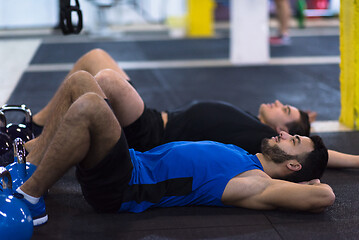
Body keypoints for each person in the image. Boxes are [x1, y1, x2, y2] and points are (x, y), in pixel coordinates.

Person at [16, 88, 334, 227]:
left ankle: (29, 197)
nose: (282, 133)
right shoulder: (246, 156)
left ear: (293, 165)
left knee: (91, 105)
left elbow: (325, 196)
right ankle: (26, 164)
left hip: (124, 185)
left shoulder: (255, 183)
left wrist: (311, 185)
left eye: (293, 140)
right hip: (129, 161)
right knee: (84, 80)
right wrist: (307, 180)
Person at [26, 49, 359, 169]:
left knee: (107, 80)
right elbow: (305, 135)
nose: (277, 103)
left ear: (284, 133)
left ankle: (34, 157)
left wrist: (356, 160)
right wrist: (306, 116)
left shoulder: (259, 138)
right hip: (152, 114)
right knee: (94, 59)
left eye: (284, 110)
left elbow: (322, 156)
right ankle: (34, 126)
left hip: (150, 133)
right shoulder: (251, 120)